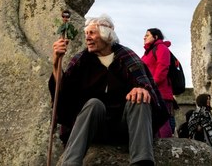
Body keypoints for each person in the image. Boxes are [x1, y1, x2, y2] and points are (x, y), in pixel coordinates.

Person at [49, 14, 169, 166]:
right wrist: (56, 63)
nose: (87, 38)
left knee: (140, 98)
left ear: (107, 34)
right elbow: (63, 93)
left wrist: (142, 90)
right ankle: (70, 163)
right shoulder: (81, 60)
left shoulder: (127, 57)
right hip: (94, 127)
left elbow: (145, 84)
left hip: (125, 126)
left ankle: (141, 162)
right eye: (86, 33)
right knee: (93, 103)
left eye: (92, 33)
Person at [141, 28, 174, 138]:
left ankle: (167, 149)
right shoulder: (147, 53)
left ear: (155, 37)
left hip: (161, 92)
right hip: (150, 91)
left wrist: (151, 85)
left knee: (162, 123)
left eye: (147, 35)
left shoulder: (161, 48)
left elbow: (162, 67)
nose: (144, 37)